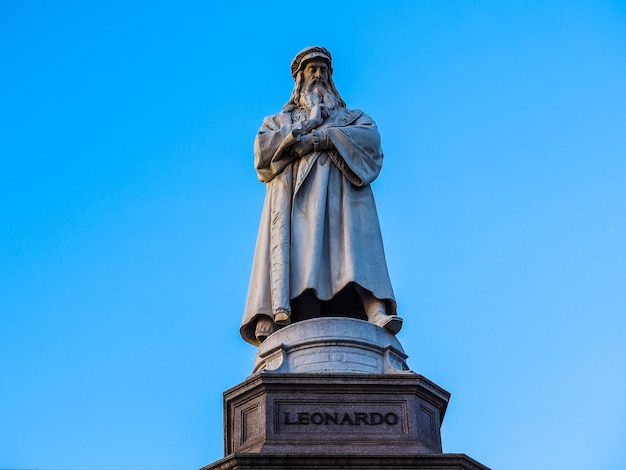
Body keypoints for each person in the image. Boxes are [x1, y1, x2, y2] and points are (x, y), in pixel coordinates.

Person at [240, 46, 402, 346]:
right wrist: (306, 126)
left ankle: (374, 307)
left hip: (344, 201)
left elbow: (371, 143)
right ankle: (291, 318)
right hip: (295, 204)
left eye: (323, 70)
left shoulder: (352, 117)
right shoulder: (278, 122)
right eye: (311, 69)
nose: (318, 75)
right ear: (299, 78)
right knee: (301, 257)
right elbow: (263, 153)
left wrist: (324, 136)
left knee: (353, 249)